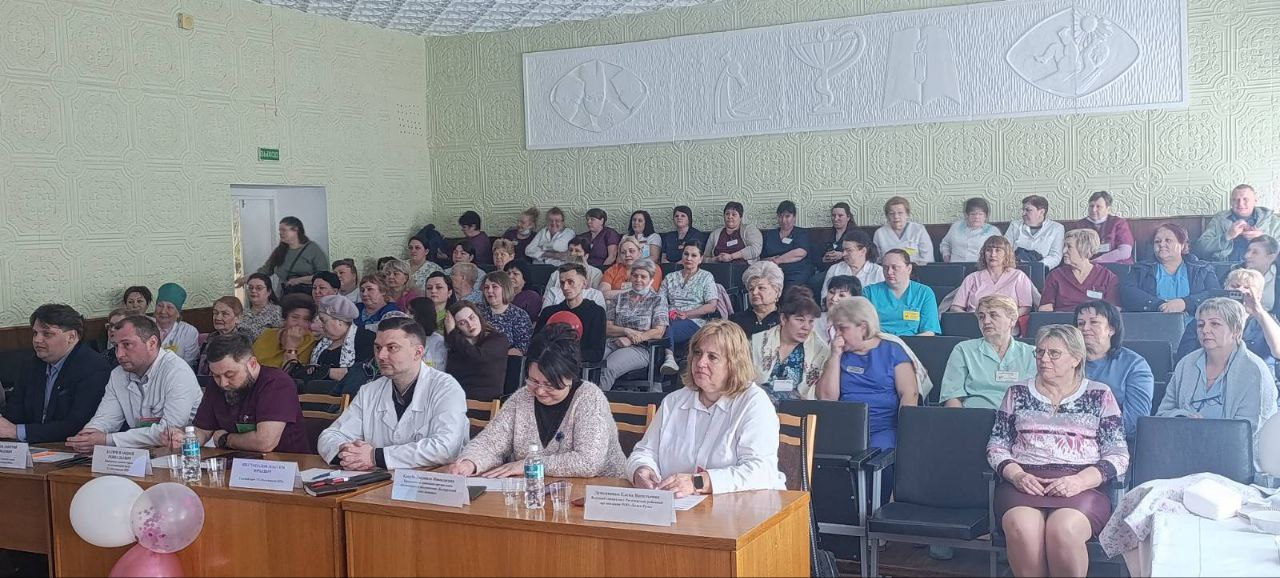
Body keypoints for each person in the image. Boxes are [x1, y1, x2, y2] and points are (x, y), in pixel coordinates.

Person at [987, 325, 1129, 578]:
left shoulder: (1099, 394)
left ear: (1076, 359)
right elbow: (996, 445)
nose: (1044, 359)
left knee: (1063, 530)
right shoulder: (1017, 392)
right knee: (1022, 528)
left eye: (1054, 353)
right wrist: (1017, 475)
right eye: (1040, 352)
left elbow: (1118, 454)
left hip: (1082, 484)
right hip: (1024, 481)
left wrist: (1079, 481)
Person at [441, 325, 626, 478]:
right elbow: (490, 442)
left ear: (570, 377)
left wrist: (527, 465)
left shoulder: (589, 398)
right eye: (533, 381)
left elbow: (588, 462)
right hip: (537, 494)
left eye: (550, 384)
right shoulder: (522, 398)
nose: (540, 391)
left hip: (598, 495)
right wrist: (469, 462)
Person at [626, 320, 785, 496]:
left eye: (712, 357)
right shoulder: (673, 401)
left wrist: (698, 482)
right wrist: (642, 469)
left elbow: (761, 471)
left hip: (745, 507)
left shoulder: (754, 402)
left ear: (734, 363)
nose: (700, 362)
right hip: (680, 507)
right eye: (697, 353)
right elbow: (645, 452)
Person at [317, 317, 470, 470]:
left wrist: (376, 457)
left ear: (418, 353)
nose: (381, 356)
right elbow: (329, 436)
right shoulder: (369, 391)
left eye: (392, 348)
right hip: (377, 481)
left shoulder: (446, 388)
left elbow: (446, 447)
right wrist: (348, 452)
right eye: (378, 348)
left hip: (433, 481)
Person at [817, 297, 919, 499]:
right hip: (845, 428)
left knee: (877, 457)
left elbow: (909, 393)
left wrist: (906, 431)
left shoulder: (893, 350)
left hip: (884, 426)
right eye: (835, 329)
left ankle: (876, 508)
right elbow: (827, 399)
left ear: (862, 327)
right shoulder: (839, 355)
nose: (838, 334)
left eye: (842, 328)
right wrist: (835, 356)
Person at [67, 315, 201, 450]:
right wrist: (87, 437)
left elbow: (169, 432)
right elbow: (105, 419)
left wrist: (107, 439)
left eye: (127, 345)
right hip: (144, 453)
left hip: (190, 453)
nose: (119, 354)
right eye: (116, 346)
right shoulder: (118, 374)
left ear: (152, 343)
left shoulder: (177, 371)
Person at [160, 333, 308, 453]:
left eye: (230, 375)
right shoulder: (216, 385)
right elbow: (202, 432)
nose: (223, 383)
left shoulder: (277, 383)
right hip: (236, 463)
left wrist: (225, 439)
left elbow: (265, 442)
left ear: (252, 364)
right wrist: (183, 438)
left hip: (286, 466)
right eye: (216, 376)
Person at [1159, 298, 1279, 434]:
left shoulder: (1255, 371)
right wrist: (1182, 418)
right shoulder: (1186, 364)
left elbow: (1251, 431)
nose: (1205, 330)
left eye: (1215, 324)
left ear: (1236, 330)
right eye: (1200, 325)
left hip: (1235, 447)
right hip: (1182, 441)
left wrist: (1204, 431)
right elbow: (1162, 414)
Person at [0, 305, 110, 443]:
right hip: (32, 445)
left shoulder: (93, 367)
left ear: (71, 336)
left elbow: (77, 425)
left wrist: (17, 431)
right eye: (35, 333)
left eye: (47, 334)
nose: (37, 339)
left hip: (69, 446)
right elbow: (15, 410)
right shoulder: (31, 364)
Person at [941, 296, 1036, 409]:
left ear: (1012, 320)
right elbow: (952, 397)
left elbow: (1041, 396)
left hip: (1019, 417)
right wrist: (960, 419)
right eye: (981, 317)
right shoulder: (963, 350)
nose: (986, 321)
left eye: (993, 315)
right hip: (975, 415)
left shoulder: (1031, 353)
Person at [1175, 269, 1280, 371]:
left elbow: (1278, 352)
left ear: (1259, 295)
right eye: (1235, 286)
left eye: (1247, 287)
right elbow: (1183, 362)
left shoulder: (1267, 322)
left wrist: (1259, 312)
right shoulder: (1202, 322)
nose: (1239, 290)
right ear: (1225, 289)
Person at [1076, 300, 1154, 435]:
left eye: (1094, 322)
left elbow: (1134, 423)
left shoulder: (1135, 365)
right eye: (1080, 323)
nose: (1085, 328)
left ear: (1111, 329)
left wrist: (1088, 432)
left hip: (1114, 441)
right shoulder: (1066, 361)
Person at [600, 259, 669, 391]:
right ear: (630, 277)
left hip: (640, 348)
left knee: (608, 367)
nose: (638, 280)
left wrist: (631, 339)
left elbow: (658, 331)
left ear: (651, 280)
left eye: (643, 277)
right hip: (613, 342)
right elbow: (608, 328)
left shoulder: (658, 300)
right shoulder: (619, 298)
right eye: (635, 275)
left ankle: (595, 402)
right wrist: (626, 331)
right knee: (589, 362)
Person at [751, 288, 829, 402]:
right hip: (759, 406)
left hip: (800, 409)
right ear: (783, 319)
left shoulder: (820, 350)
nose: (806, 327)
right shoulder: (757, 342)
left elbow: (825, 397)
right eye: (800, 320)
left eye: (811, 321)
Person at [1121, 223, 1219, 313]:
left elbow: (1215, 295)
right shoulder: (1140, 269)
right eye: (1157, 241)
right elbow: (1128, 293)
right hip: (1153, 322)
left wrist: (1185, 303)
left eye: (1168, 240)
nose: (1161, 244)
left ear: (1182, 245)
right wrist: (1159, 305)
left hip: (1197, 323)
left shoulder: (1202, 269)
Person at [660, 241, 719, 374]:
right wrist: (666, 312)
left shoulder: (706, 277)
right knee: (662, 323)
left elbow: (712, 306)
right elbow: (659, 300)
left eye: (694, 255)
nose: (689, 258)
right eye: (686, 254)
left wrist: (687, 313)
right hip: (669, 317)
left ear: (700, 259)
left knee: (667, 327)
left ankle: (669, 358)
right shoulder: (670, 277)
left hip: (694, 320)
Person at [236, 216, 329, 295]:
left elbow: (324, 276)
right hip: (284, 295)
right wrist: (247, 278)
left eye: (284, 230)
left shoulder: (313, 249)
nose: (280, 233)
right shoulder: (280, 250)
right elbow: (265, 270)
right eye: (280, 230)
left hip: (307, 297)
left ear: (296, 230)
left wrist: (299, 280)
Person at [535, 263, 607, 364]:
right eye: (562, 283)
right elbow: (536, 345)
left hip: (577, 367)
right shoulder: (549, 312)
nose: (565, 287)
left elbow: (596, 353)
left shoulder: (596, 312)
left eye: (570, 282)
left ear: (584, 284)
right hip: (548, 366)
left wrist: (563, 356)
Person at [862, 249, 941, 336]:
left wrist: (905, 343)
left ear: (909, 269)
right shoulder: (869, 292)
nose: (889, 272)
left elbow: (929, 332)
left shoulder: (924, 293)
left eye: (895, 267)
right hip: (878, 341)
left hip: (912, 343)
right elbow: (862, 328)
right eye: (885, 268)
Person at [1039, 228, 1120, 311]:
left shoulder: (1108, 277)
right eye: (1064, 246)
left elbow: (1113, 311)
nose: (1064, 251)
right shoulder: (1055, 275)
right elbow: (1045, 308)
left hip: (1094, 318)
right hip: (1062, 319)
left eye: (1069, 247)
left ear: (1084, 249)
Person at [443, 301, 510, 401]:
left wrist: (452, 333)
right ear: (457, 328)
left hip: (485, 403)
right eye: (462, 323)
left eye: (471, 317)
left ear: (478, 316)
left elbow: (479, 357)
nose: (470, 324)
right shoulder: (457, 346)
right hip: (456, 401)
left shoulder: (498, 339)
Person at [950, 236, 1036, 314]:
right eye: (989, 250)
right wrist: (974, 319)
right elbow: (955, 308)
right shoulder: (972, 278)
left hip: (1008, 323)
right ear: (984, 254)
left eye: (998, 250)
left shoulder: (1018, 276)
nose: (993, 254)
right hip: (974, 323)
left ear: (1006, 254)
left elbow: (1026, 307)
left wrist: (1007, 319)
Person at [1196, 184, 1280, 262]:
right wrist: (1227, 236)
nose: (1240, 204)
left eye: (1245, 199)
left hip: (1261, 269)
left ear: (1255, 200)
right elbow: (1199, 248)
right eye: (1235, 200)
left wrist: (1264, 239)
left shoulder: (1272, 220)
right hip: (1226, 267)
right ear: (1231, 202)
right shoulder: (1219, 219)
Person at [306, 295, 375, 382]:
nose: (321, 325)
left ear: (339, 322)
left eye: (323, 321)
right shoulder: (323, 342)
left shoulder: (366, 339)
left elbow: (362, 373)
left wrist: (326, 372)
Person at [252, 294, 317, 369]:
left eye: (306, 319)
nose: (300, 323)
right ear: (285, 319)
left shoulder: (311, 342)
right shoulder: (268, 334)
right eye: (295, 317)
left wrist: (292, 347)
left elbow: (290, 372)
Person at [477, 271, 533, 355]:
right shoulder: (476, 310)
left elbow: (522, 348)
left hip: (504, 360)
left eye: (494, 287)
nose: (489, 291)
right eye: (486, 287)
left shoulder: (520, 315)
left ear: (506, 289)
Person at [760, 200, 812, 288]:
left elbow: (801, 253)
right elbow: (761, 258)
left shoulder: (800, 233)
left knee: (790, 287)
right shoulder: (769, 235)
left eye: (787, 216)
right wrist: (769, 259)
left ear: (794, 217)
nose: (783, 220)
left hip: (796, 272)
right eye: (780, 216)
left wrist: (778, 260)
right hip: (773, 272)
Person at [1004, 195, 1065, 269]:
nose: (1023, 213)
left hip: (1043, 270)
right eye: (1023, 210)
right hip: (1016, 268)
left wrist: (1036, 266)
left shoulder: (1056, 228)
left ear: (1041, 212)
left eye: (1028, 210)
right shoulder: (1015, 225)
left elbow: (1055, 257)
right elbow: (1004, 249)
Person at [542, 237, 605, 308]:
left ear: (586, 256)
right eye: (570, 250)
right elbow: (545, 299)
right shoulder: (556, 273)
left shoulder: (596, 273)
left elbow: (596, 297)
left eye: (577, 251)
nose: (572, 253)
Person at [197, 296, 254, 375]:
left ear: (238, 318)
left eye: (225, 314)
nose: (218, 317)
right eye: (215, 313)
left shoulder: (243, 341)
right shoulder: (210, 338)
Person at [1076, 191, 1135, 264]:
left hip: (1116, 265)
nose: (1094, 210)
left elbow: (1125, 252)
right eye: (1091, 206)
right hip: (1087, 266)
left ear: (1108, 208)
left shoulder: (1119, 223)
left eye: (1098, 206)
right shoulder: (1080, 225)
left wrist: (1098, 260)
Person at [820, 229, 884, 295]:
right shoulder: (835, 269)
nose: (843, 254)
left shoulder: (878, 272)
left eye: (849, 250)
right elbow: (825, 296)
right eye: (843, 250)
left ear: (863, 251)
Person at [730, 261, 783, 338]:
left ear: (776, 291)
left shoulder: (784, 320)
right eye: (751, 289)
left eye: (761, 288)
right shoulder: (735, 321)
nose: (754, 292)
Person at [873, 196, 933, 265]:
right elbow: (877, 260)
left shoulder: (919, 229)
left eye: (900, 213)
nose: (896, 217)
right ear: (887, 216)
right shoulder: (879, 233)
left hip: (916, 269)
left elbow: (928, 258)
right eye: (892, 213)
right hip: (888, 270)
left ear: (907, 214)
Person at [940, 197, 1002, 263]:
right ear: (966, 215)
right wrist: (946, 257)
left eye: (980, 214)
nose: (976, 217)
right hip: (956, 265)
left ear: (985, 216)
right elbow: (945, 243)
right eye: (973, 214)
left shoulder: (993, 231)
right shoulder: (956, 226)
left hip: (981, 267)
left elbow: (1001, 251)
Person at [154, 283, 199, 366]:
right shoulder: (145, 326)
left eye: (169, 307)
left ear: (178, 313)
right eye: (160, 305)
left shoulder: (189, 332)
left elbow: (188, 364)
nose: (163, 311)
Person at [810, 202, 857, 275]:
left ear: (848, 217)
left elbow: (866, 253)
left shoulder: (857, 234)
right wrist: (823, 259)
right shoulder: (825, 234)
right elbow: (814, 256)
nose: (836, 218)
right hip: (827, 271)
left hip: (849, 271)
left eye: (840, 215)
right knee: (814, 280)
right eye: (833, 215)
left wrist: (842, 255)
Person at [405, 298, 448, 371]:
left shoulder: (439, 342)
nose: (406, 315)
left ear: (422, 316)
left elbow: (439, 369)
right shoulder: (404, 337)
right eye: (407, 312)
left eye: (411, 313)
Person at [814, 275, 861, 340]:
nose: (834, 298)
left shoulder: (856, 325)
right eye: (831, 292)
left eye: (841, 295)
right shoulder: (815, 320)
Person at [1240, 235, 1279, 312]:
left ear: (1271, 257)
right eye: (1248, 250)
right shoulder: (1235, 272)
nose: (1247, 256)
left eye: (1255, 252)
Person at [240, 273, 283, 341]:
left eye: (259, 288)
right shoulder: (242, 313)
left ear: (269, 292)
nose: (253, 291)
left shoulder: (277, 312)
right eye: (250, 288)